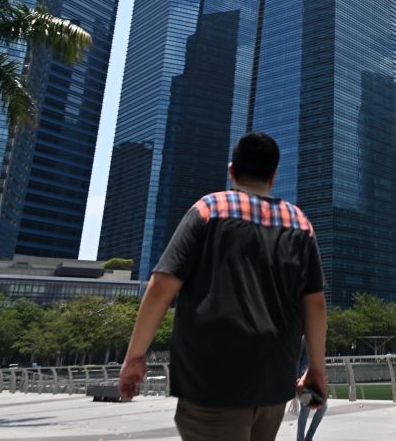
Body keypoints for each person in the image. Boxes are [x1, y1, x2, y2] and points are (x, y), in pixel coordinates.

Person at [118, 132, 327, 441]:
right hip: (273, 379)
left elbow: (162, 285)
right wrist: (317, 371)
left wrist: (135, 355)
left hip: (212, 378)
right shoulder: (299, 223)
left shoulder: (208, 210)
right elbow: (315, 304)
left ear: (231, 170)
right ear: (274, 175)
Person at [295, 338, 326, 441]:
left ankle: (308, 437)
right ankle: (300, 438)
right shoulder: (304, 339)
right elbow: (297, 359)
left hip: (314, 379)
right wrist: (296, 378)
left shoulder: (319, 340)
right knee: (305, 408)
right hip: (303, 378)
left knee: (322, 407)